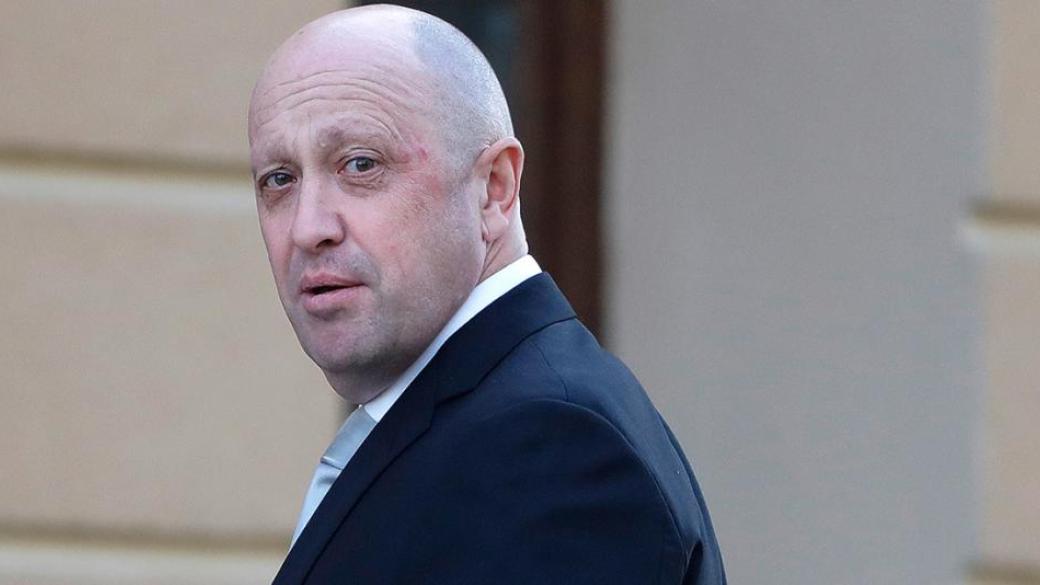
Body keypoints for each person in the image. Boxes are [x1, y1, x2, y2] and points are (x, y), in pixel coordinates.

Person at [248, 5, 725, 584]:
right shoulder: (469, 422)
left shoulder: (549, 445)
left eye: (360, 164)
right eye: (279, 179)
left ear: (495, 188)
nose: (308, 228)